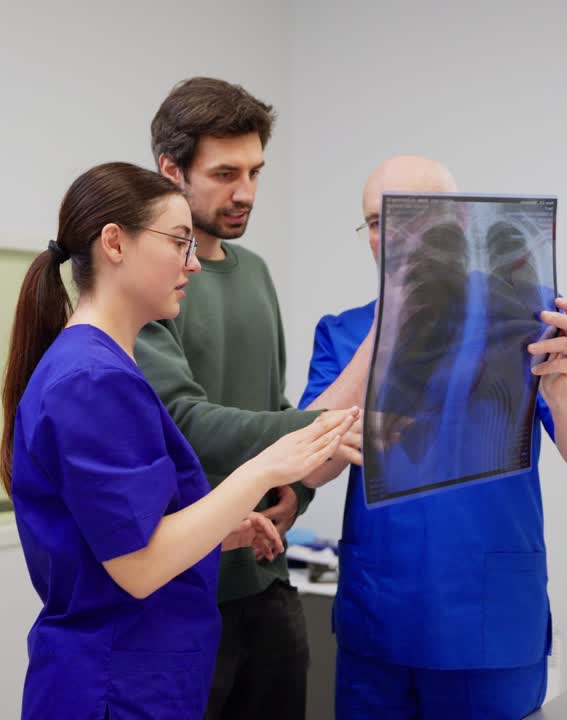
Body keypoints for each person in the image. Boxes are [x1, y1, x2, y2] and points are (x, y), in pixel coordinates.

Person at [0, 161, 358, 720]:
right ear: (115, 243)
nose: (193, 262)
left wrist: (221, 532)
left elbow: (115, 538)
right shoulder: (91, 379)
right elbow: (137, 567)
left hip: (142, 676)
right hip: (112, 686)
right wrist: (262, 470)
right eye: (179, 242)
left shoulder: (104, 368)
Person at [299, 155, 567, 719]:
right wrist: (388, 328)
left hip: (488, 624)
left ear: (463, 227)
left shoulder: (531, 321)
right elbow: (311, 466)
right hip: (380, 621)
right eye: (377, 222)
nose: (390, 238)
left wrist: (564, 392)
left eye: (412, 219)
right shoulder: (343, 332)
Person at [135, 77, 369, 720]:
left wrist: (299, 491)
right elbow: (185, 419)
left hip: (265, 581)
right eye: (225, 173)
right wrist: (304, 440)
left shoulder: (256, 272)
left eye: (256, 172)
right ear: (171, 169)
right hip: (183, 588)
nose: (246, 193)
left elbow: (269, 405)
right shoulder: (147, 285)